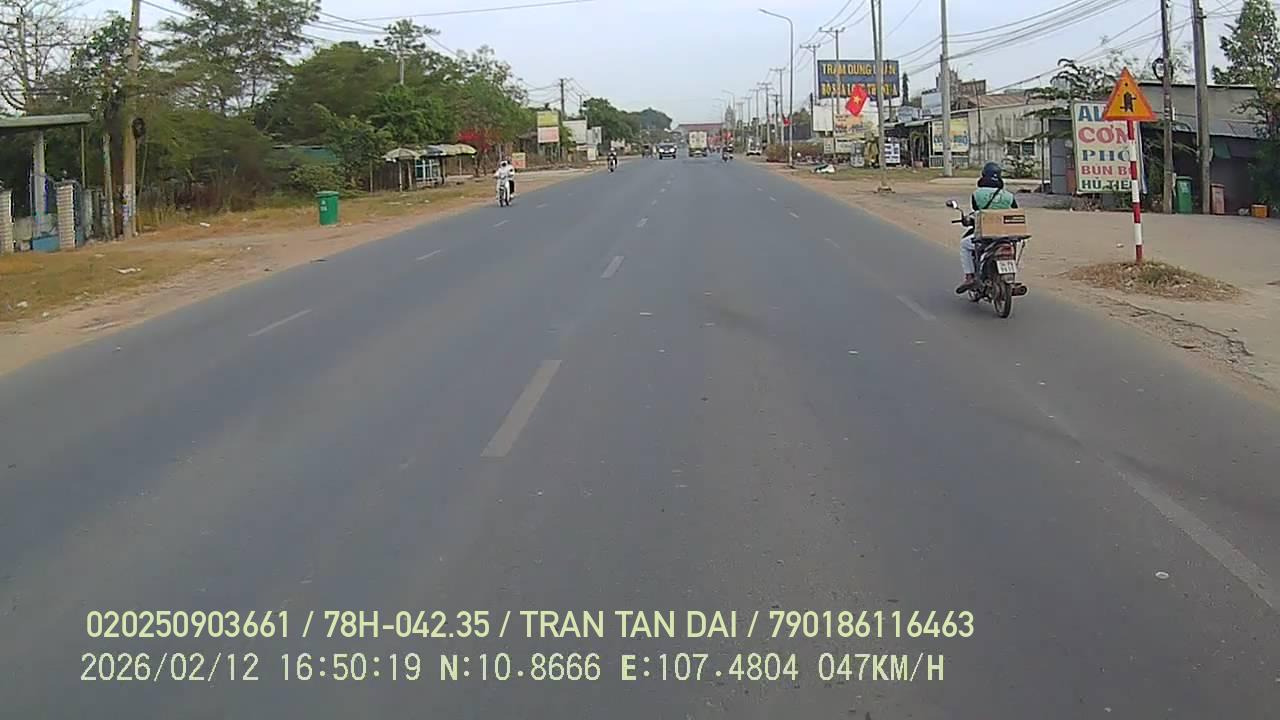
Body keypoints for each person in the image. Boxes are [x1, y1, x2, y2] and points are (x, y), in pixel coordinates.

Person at [956, 161, 1018, 294]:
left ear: (984, 175)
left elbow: (976, 211)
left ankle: (969, 277)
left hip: (986, 235)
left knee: (964, 245)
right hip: (1006, 234)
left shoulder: (977, 194)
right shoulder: (1009, 195)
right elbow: (1014, 212)